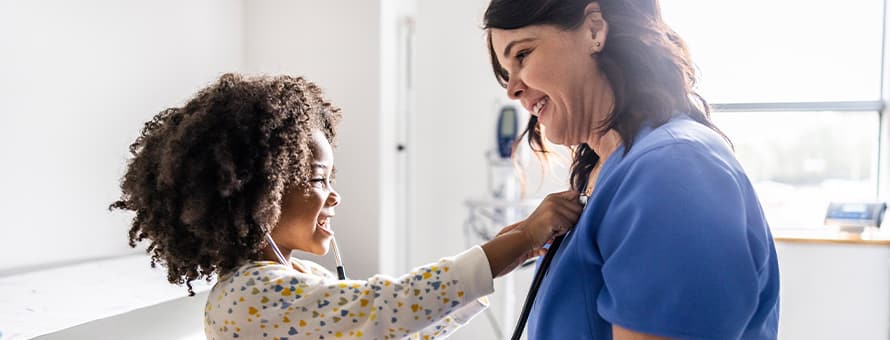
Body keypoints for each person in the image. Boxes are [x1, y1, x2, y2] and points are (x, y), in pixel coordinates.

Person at [110, 73, 582, 340]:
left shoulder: (293, 283)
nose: (333, 195)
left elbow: (393, 329)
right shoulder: (247, 298)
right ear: (256, 191)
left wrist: (508, 251)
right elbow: (388, 307)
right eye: (318, 179)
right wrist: (518, 241)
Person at [482, 0, 780, 339]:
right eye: (506, 72)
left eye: (522, 55)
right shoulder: (613, 170)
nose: (512, 88)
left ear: (594, 30)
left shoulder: (671, 172)